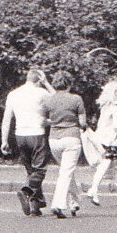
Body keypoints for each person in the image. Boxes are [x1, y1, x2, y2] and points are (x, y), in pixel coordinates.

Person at [0, 67, 52, 217]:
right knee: (40, 170)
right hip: (37, 134)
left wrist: (4, 140)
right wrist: (47, 83)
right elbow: (58, 102)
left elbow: (6, 119)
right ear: (39, 79)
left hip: (20, 135)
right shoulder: (42, 93)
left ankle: (36, 204)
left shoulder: (13, 94)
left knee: (30, 170)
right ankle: (26, 190)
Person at [42, 71, 87, 219]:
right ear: (69, 84)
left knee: (67, 170)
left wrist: (54, 121)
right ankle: (58, 204)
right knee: (66, 172)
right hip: (71, 138)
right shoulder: (76, 99)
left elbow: (43, 121)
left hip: (54, 140)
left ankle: (73, 202)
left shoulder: (49, 100)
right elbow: (82, 123)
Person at [84, 76, 117, 206]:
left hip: (102, 139)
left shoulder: (105, 106)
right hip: (114, 140)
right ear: (115, 93)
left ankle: (93, 189)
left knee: (103, 165)